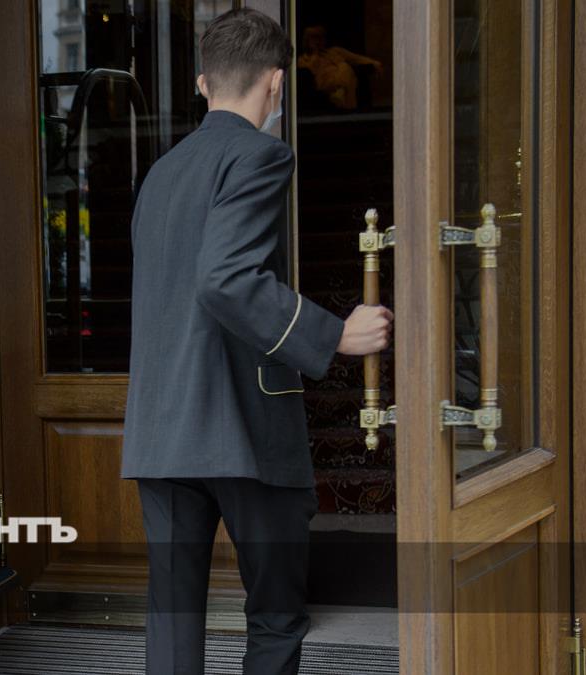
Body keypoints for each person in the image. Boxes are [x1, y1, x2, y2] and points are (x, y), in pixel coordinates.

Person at [122, 9, 392, 675]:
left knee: (172, 621)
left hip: (162, 426)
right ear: (276, 82)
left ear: (201, 83)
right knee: (275, 613)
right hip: (244, 424)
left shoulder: (161, 173)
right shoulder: (262, 154)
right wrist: (336, 333)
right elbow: (225, 279)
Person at [297, 25, 383, 110]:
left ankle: (340, 92)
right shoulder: (303, 59)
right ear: (307, 40)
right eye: (314, 38)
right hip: (324, 83)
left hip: (343, 82)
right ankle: (339, 92)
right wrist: (315, 54)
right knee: (344, 68)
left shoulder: (335, 51)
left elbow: (356, 58)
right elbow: (310, 73)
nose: (318, 41)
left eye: (320, 37)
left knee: (345, 67)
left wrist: (375, 63)